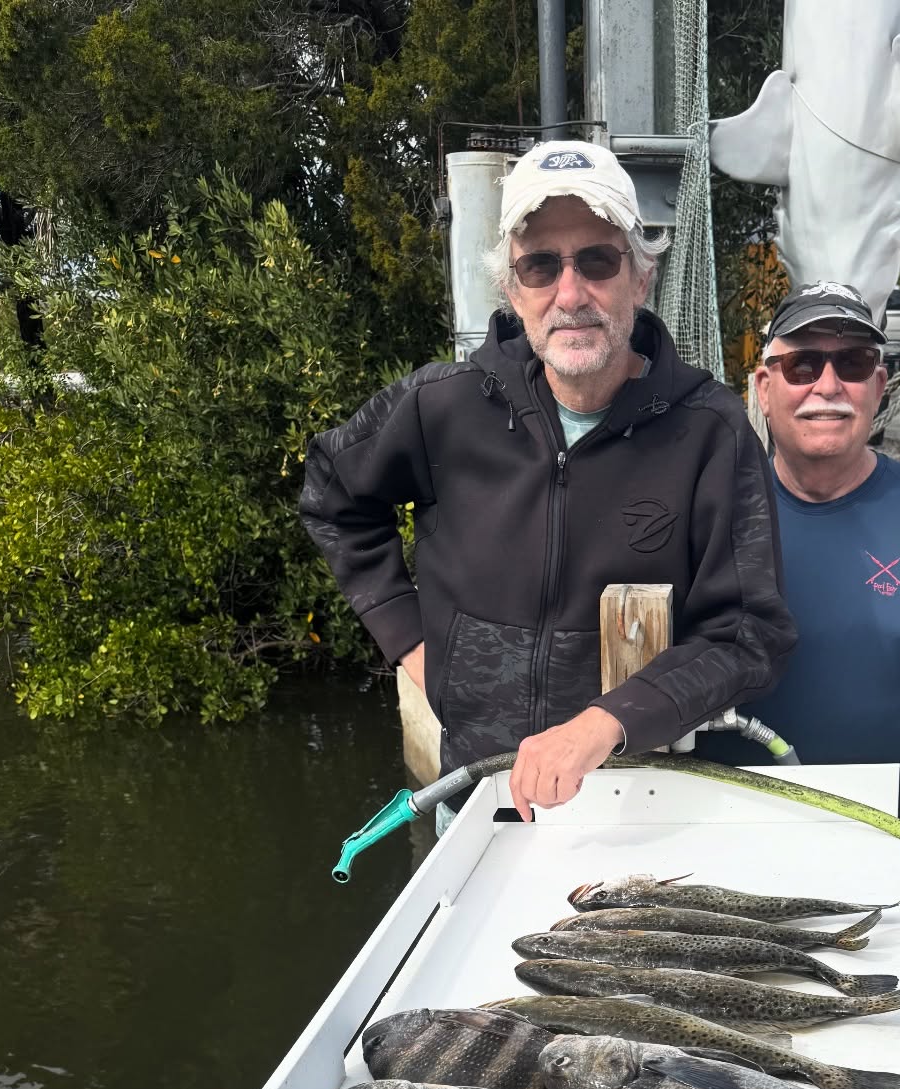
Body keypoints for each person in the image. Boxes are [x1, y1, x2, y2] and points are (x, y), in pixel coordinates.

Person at [300, 140, 795, 823]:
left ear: (640, 278)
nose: (570, 294)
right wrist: (410, 641)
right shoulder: (440, 405)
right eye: (540, 265)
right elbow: (331, 489)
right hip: (476, 803)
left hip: (642, 809)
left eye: (597, 260)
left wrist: (606, 721)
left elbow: (748, 633)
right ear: (512, 288)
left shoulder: (712, 429)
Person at [704, 282, 900, 943]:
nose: (827, 385)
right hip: (721, 856)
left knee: (872, 1008)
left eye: (852, 363)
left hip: (880, 857)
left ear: (878, 386)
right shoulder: (707, 516)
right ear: (764, 388)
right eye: (802, 365)